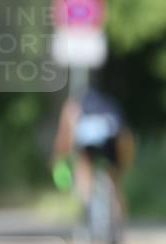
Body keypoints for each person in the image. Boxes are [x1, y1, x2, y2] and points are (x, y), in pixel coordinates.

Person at [52, 86, 134, 226]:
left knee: (83, 165)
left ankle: (87, 203)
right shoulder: (109, 104)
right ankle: (118, 222)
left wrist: (60, 158)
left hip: (89, 139)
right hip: (114, 137)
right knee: (115, 182)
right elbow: (124, 134)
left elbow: (66, 138)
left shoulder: (73, 107)